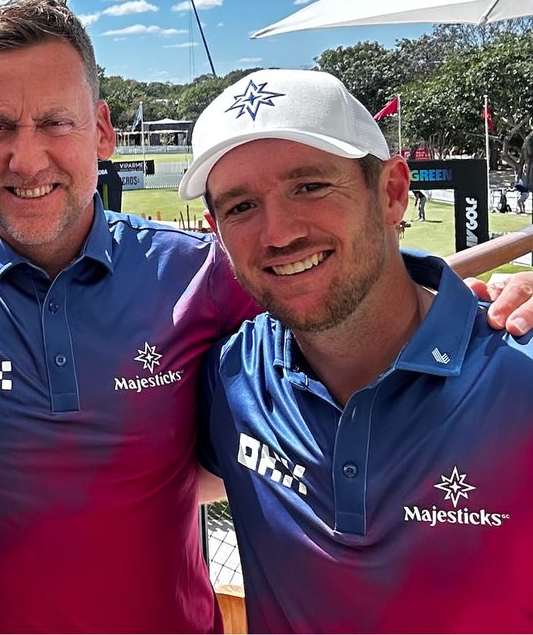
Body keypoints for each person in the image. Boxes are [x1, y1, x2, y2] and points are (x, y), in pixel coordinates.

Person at [0, 0, 533, 632]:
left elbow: (338, 292)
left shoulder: (200, 272)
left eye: (57, 122)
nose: (27, 158)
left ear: (103, 131)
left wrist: (475, 307)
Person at [184, 69, 533, 632]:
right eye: (241, 207)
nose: (278, 234)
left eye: (310, 186)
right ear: (216, 230)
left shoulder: (519, 373)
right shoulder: (231, 377)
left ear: (393, 191)